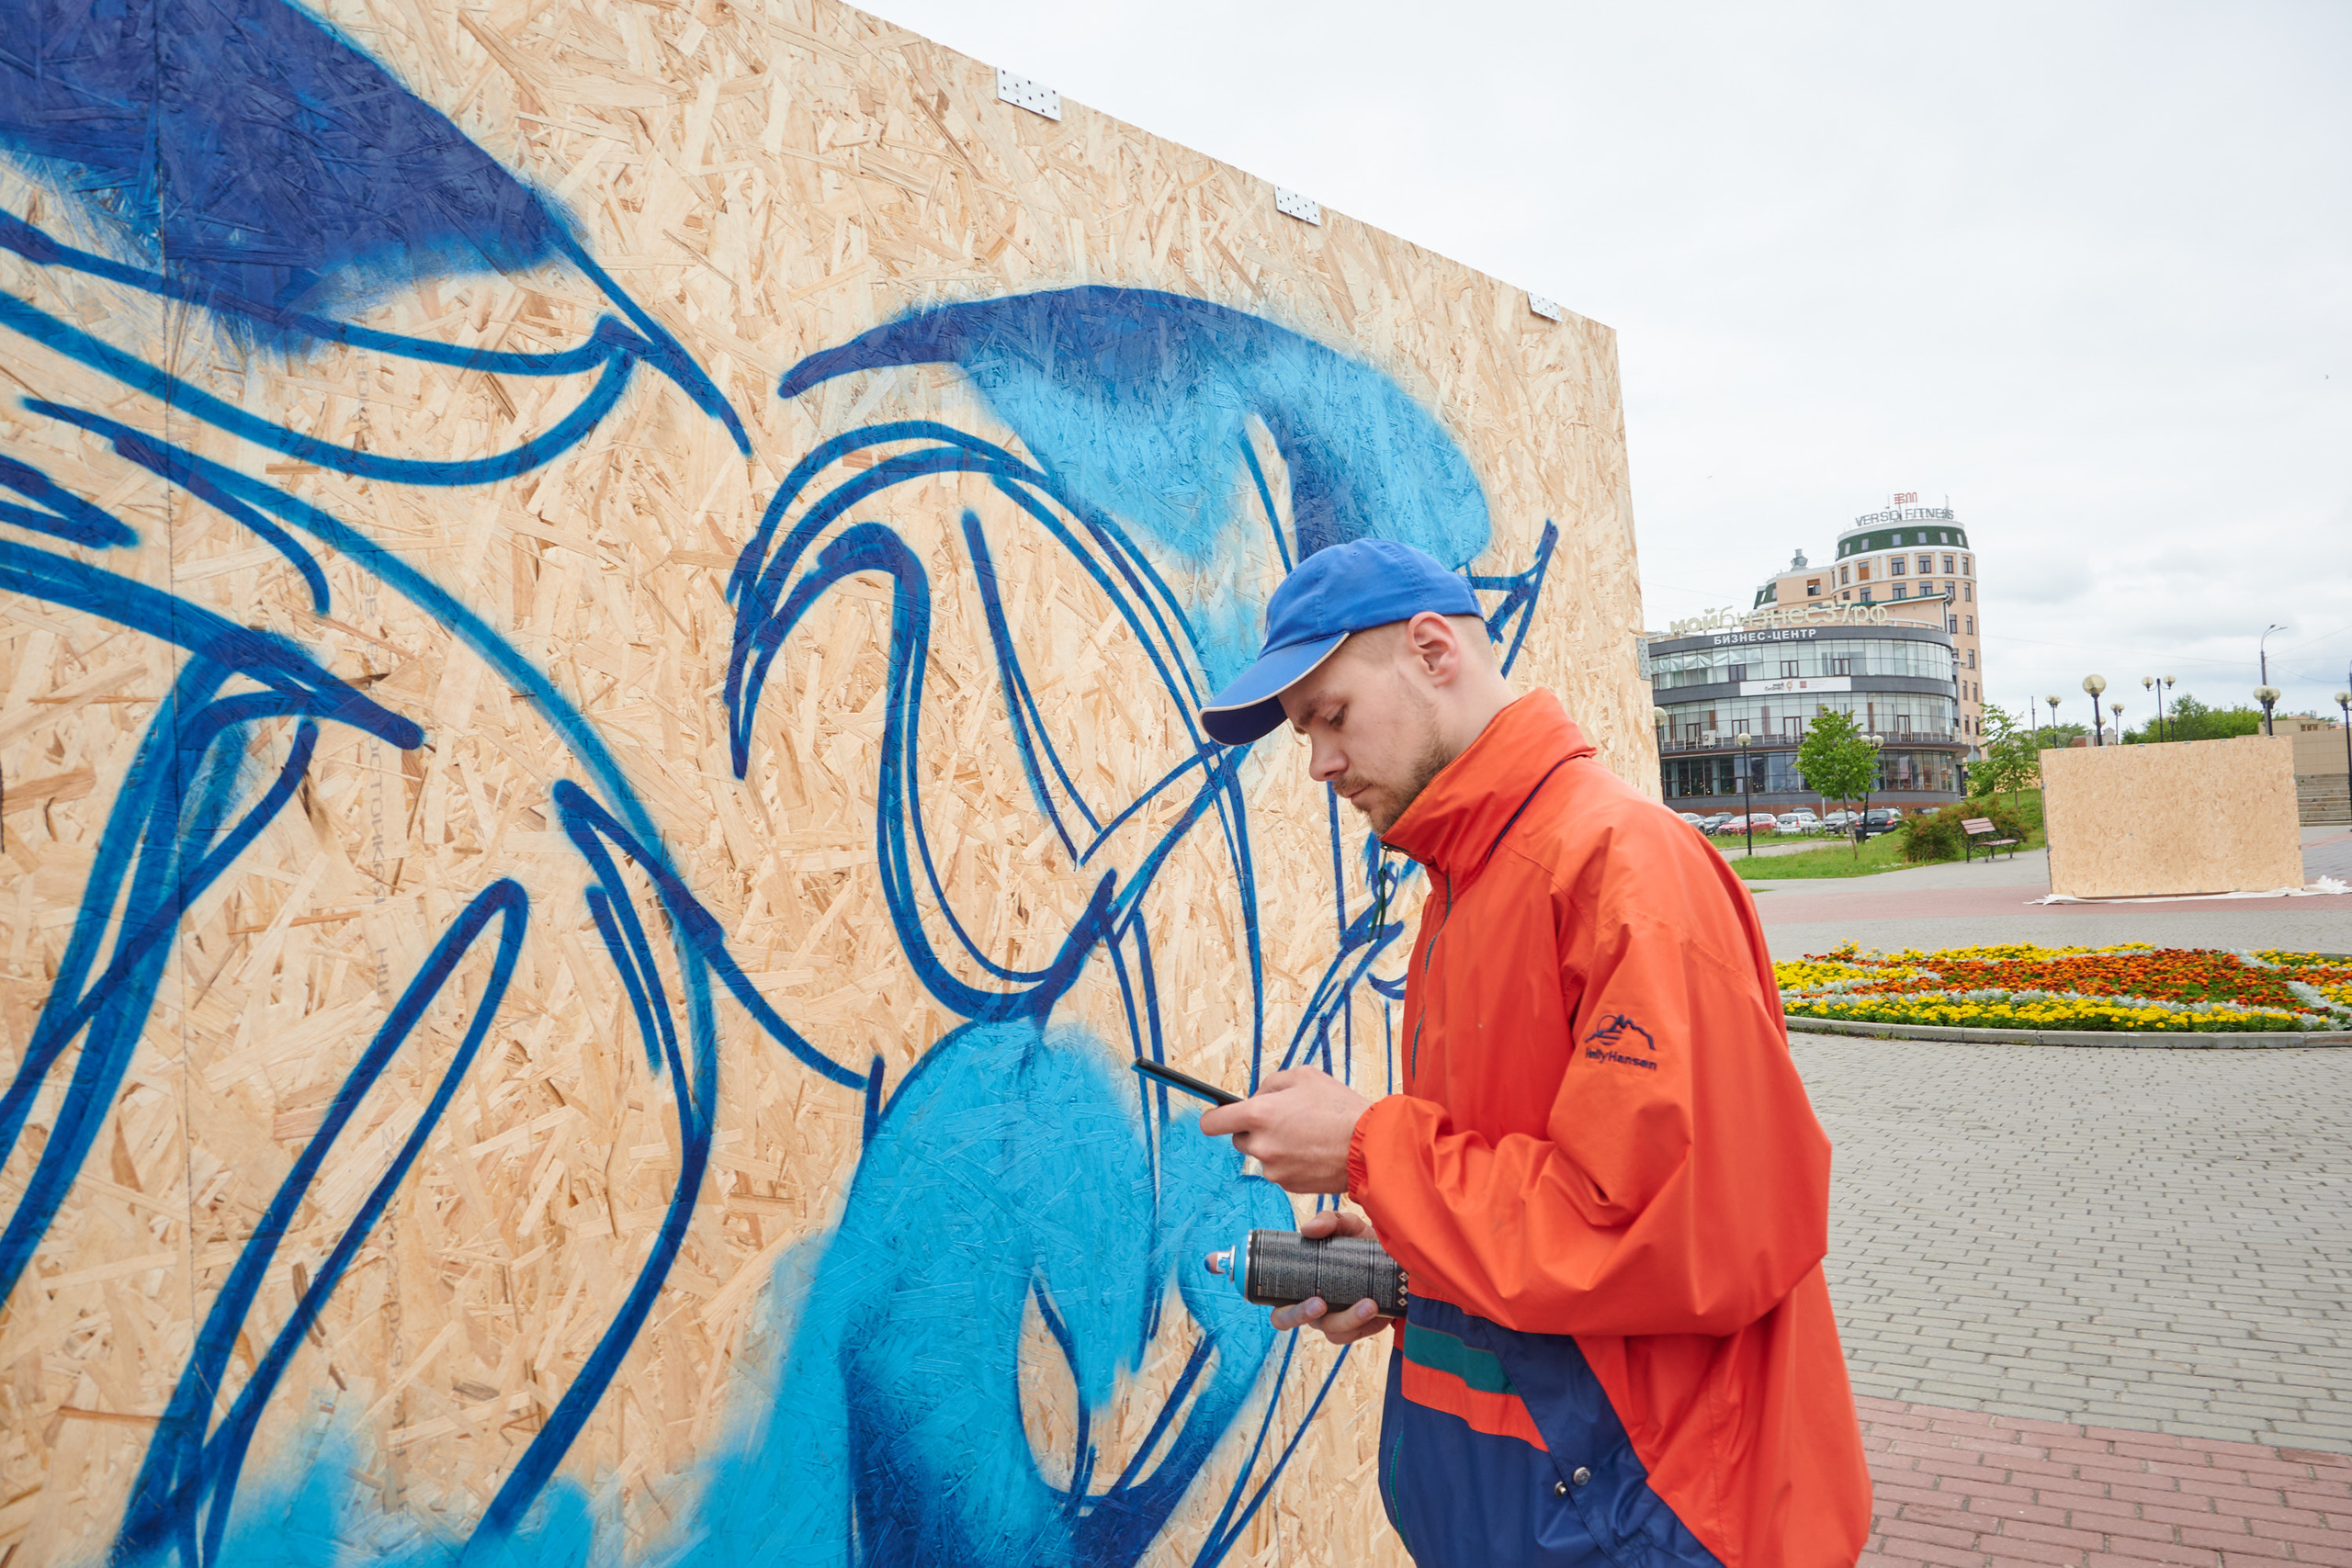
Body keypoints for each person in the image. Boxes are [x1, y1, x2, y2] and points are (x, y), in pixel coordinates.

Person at [1195, 539, 1871, 1568]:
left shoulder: (1619, 869)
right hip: (1539, 1517)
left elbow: (1673, 1232)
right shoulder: (1468, 883)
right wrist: (1409, 1261)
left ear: (1431, 650)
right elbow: (1539, 1202)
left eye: (1329, 717)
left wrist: (1371, 1149)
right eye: (1302, 737)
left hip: (1655, 1523)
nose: (1320, 764)